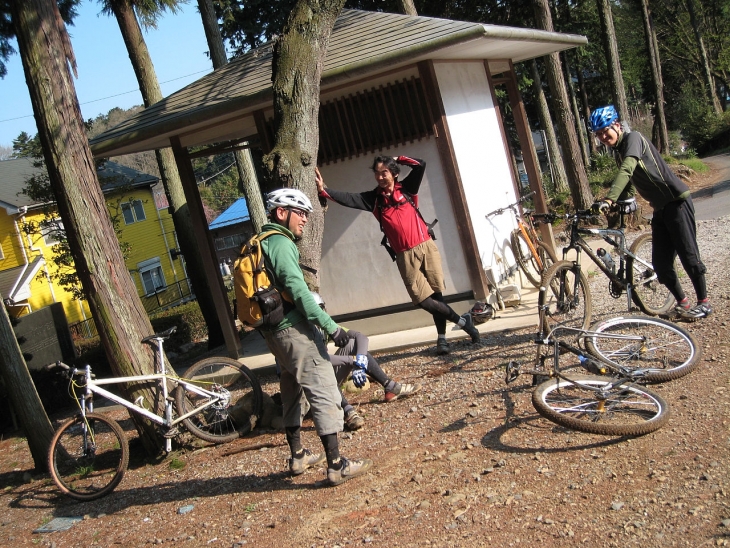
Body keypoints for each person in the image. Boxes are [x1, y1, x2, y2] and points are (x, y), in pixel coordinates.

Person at [258, 188, 372, 486]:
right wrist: (332, 328)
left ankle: (298, 455)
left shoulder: (258, 243)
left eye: (308, 213)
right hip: (294, 332)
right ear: (281, 213)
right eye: (300, 212)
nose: (305, 219)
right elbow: (299, 292)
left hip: (274, 334)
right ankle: (336, 464)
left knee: (291, 388)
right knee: (321, 388)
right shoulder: (281, 244)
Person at [315, 156, 480, 355]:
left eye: (384, 172)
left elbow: (421, 165)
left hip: (426, 246)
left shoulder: (407, 188)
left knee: (436, 294)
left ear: (394, 173)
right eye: (376, 173)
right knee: (423, 300)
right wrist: (324, 189)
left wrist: (398, 158)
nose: (380, 177)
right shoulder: (374, 199)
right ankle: (464, 322)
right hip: (404, 256)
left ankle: (442, 338)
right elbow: (349, 198)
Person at [590, 105, 711, 320]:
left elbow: (628, 169)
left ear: (617, 125)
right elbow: (628, 183)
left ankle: (704, 303)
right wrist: (613, 204)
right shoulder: (620, 152)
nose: (602, 136)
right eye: (598, 134)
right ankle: (683, 303)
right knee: (661, 264)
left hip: (677, 202)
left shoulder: (633, 138)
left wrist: (610, 197)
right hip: (660, 208)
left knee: (688, 255)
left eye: (605, 130)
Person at [310, 292, 422, 431]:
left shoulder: (324, 326)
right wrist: (352, 361)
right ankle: (348, 412)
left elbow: (360, 336)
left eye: (320, 309)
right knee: (323, 372)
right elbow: (316, 360)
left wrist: (361, 359)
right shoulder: (300, 333)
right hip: (308, 385)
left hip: (323, 373)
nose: (318, 314)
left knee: (352, 344)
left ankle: (390, 387)